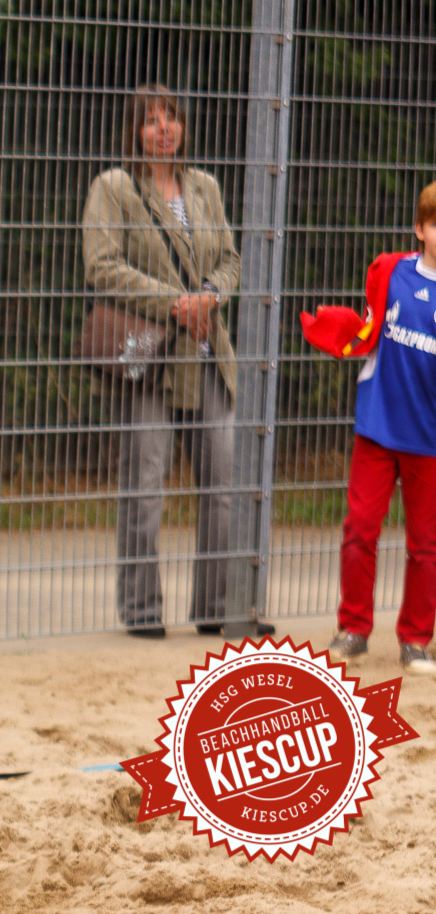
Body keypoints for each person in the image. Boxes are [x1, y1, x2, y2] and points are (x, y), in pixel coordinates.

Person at [83, 84, 268, 639]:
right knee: (144, 483)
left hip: (207, 353)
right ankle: (141, 611)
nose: (162, 129)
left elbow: (232, 257)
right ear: (134, 131)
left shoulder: (205, 187)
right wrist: (174, 302)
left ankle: (217, 607)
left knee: (224, 483)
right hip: (151, 356)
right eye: (150, 120)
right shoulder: (114, 188)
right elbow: (102, 265)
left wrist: (211, 292)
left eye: (171, 119)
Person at [301, 181, 436, 676]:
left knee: (426, 545)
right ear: (420, 229)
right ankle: (353, 630)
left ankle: (416, 641)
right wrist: (339, 329)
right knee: (360, 529)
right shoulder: (391, 272)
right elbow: (367, 329)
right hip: (378, 430)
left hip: (429, 442)